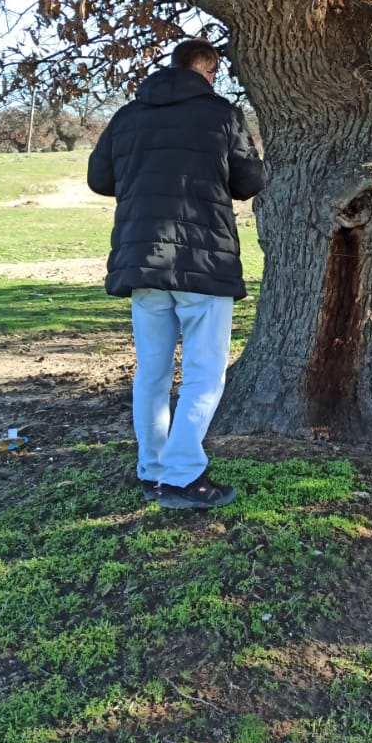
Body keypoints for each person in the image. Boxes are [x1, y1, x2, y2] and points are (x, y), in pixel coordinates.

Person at [87, 39, 266, 510]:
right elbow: (249, 182)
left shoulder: (128, 114)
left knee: (152, 372)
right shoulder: (222, 113)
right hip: (203, 261)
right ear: (209, 74)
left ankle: (153, 469)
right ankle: (184, 474)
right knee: (205, 373)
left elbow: (99, 179)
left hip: (142, 260)